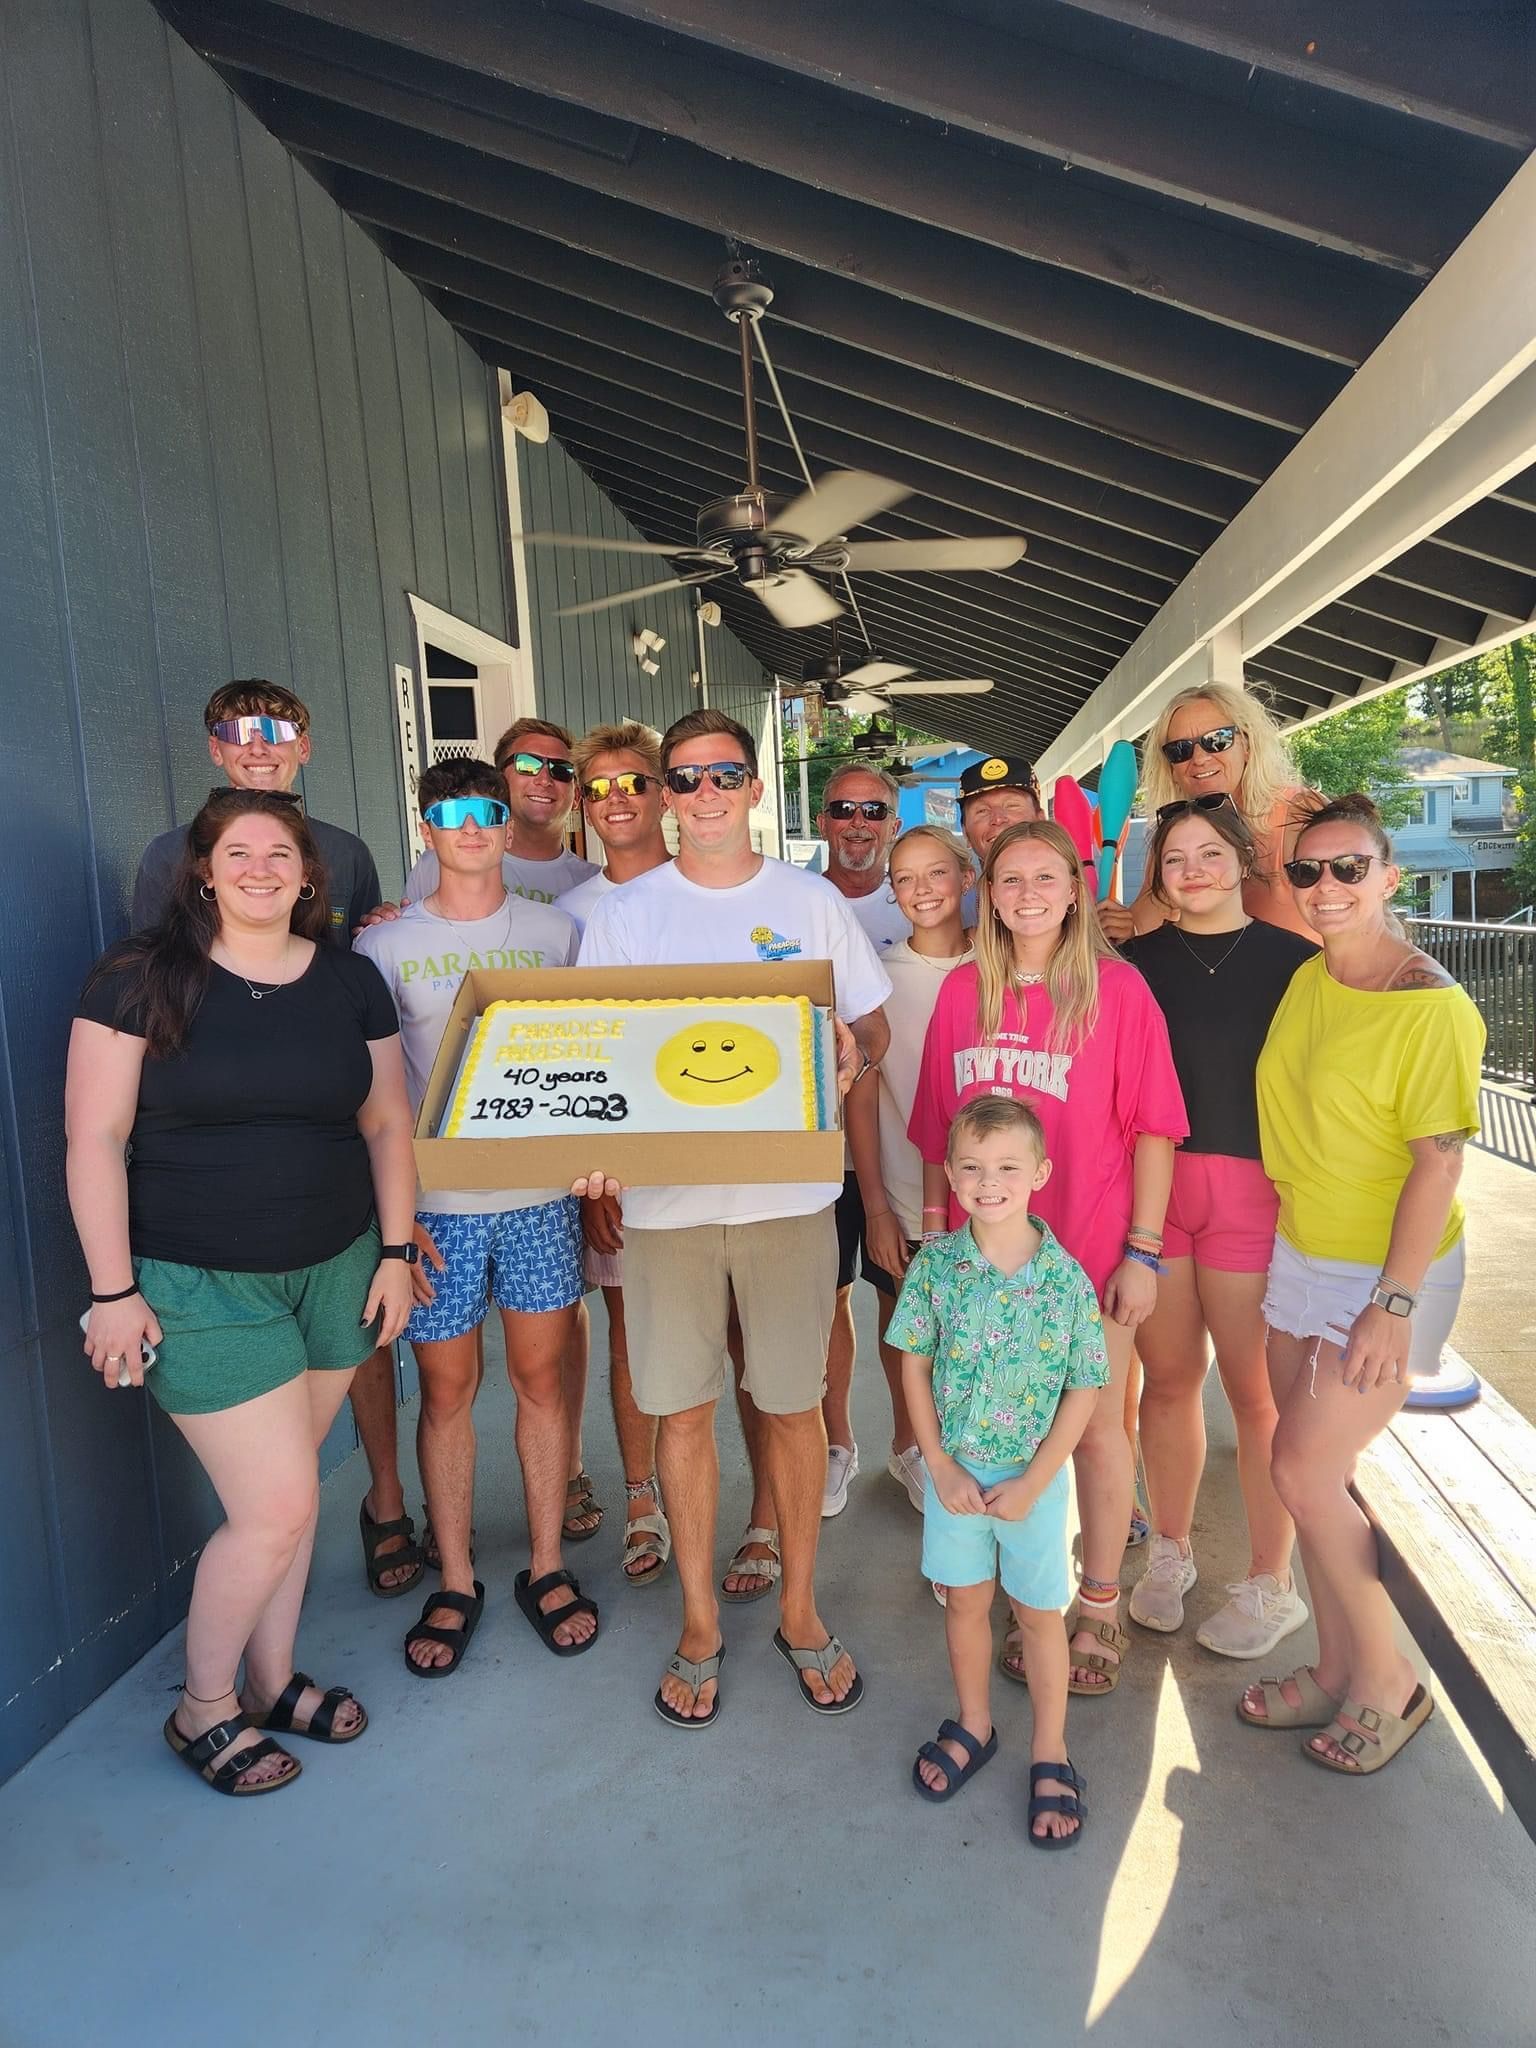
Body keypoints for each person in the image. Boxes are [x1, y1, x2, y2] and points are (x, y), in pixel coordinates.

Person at [68, 789, 417, 1796]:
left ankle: (270, 1680)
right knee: (274, 1507)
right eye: (237, 850)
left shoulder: (350, 982)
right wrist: (112, 1289)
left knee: (291, 1499)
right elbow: (93, 1138)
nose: (260, 866)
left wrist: (394, 1250)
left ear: (311, 875)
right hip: (196, 1279)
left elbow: (387, 1123)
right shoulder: (139, 977)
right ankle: (203, 1707)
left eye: (281, 852)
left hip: (336, 1267)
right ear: (204, 869)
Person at [575, 708, 891, 1727]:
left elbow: (871, 1029)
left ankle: (800, 1607)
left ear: (756, 788)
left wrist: (851, 1053)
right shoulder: (626, 915)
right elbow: (595, 1050)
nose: (704, 794)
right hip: (666, 1206)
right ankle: (701, 1619)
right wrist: (592, 1158)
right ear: (665, 797)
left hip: (791, 1195)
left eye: (725, 775)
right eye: (685, 778)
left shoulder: (807, 901)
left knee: (791, 1405)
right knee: (681, 1410)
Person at [129, 680, 416, 1603]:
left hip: (332, 1192)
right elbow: (155, 1003)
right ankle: (219, 1690)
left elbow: (358, 983)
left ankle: (382, 1500)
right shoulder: (164, 857)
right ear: (214, 748)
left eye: (278, 731)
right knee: (276, 1495)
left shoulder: (346, 853)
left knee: (343, 1375)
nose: (259, 746)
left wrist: (395, 1232)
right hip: (209, 1218)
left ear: (307, 745)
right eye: (237, 733)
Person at [909, 820, 1186, 1697]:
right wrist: (929, 1236)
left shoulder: (1119, 989)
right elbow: (934, 1131)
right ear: (986, 894)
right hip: (982, 1258)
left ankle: (1096, 1600)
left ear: (1076, 889)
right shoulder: (963, 992)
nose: (1027, 894)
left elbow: (1156, 1131)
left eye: (1045, 878)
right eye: (1009, 879)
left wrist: (1143, 1250)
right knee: (979, 1418)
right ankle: (1011, 1585)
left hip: (1091, 1249)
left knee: (1097, 1427)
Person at [1238, 796, 1483, 1774]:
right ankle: (1336, 1664)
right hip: (1303, 1250)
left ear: (1391, 877)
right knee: (1310, 1471)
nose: (1326, 888)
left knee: (1301, 1466)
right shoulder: (1308, 978)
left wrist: (1394, 1300)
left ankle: (1390, 1680)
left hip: (1388, 1271)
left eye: (1349, 869)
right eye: (1308, 871)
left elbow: (1440, 1166)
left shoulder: (1431, 1005)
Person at [354, 759, 598, 1671]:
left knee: (542, 1384)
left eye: (486, 811)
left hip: (539, 1199)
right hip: (438, 1211)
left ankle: (544, 1563)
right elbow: (375, 1102)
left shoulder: (557, 931)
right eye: (449, 813)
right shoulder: (381, 948)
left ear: (507, 824)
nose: (470, 827)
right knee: (448, 1392)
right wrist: (394, 1215)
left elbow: (598, 1058)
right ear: (425, 830)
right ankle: (455, 1575)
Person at [1121, 800, 1317, 1654]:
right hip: (1155, 1197)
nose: (1193, 869)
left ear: (1243, 862)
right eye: (1175, 859)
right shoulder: (1129, 964)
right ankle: (1170, 1551)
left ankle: (1272, 1580)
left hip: (1252, 1197)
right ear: (1156, 875)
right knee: (1166, 1383)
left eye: (1209, 853)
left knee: (1256, 1396)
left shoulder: (1301, 964)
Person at [892, 1098, 1106, 1844]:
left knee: (1040, 1615)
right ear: (950, 1174)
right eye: (974, 1168)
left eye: (1009, 1167)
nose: (990, 1182)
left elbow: (1085, 1386)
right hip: (957, 1476)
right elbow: (913, 1365)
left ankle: (1051, 1749)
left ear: (1040, 1174)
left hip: (1034, 1483)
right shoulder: (935, 1269)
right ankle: (976, 1723)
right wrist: (939, 1464)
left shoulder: (1067, 1280)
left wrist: (1039, 1480)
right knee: (964, 1604)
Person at [557, 721, 675, 1586]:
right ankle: (642, 1497)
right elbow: (571, 1050)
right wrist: (591, 1171)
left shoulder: (717, 889)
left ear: (666, 792)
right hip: (619, 1163)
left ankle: (754, 1515)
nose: (615, 800)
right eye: (596, 788)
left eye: (632, 782)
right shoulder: (569, 916)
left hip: (720, 1158)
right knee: (633, 1329)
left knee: (733, 1335)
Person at [843, 824, 976, 1515]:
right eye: (905, 878)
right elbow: (862, 1097)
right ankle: (911, 1449)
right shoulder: (877, 978)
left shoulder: (1003, 965)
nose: (921, 890)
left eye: (936, 874)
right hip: (902, 1190)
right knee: (911, 1328)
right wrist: (875, 1208)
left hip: (988, 1198)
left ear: (967, 879)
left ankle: (970, 1455)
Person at [800, 762, 908, 1518]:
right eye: (843, 809)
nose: (859, 822)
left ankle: (911, 1447)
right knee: (825, 1299)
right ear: (824, 820)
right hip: (811, 1151)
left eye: (874, 810)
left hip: (905, 1147)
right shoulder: (792, 902)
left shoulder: (929, 902)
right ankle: (839, 1442)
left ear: (892, 820)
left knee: (903, 1304)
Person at [1099, 684, 1321, 944]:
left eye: (1217, 740)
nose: (1200, 759)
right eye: (1180, 750)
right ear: (1171, 768)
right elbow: (1145, 919)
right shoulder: (1174, 833)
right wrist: (1117, 925)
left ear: (1246, 744)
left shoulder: (1299, 812)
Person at [401, 716, 597, 908]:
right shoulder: (435, 866)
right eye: (527, 765)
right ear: (499, 781)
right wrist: (381, 918)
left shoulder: (594, 884)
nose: (544, 779)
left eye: (561, 770)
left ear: (577, 796)